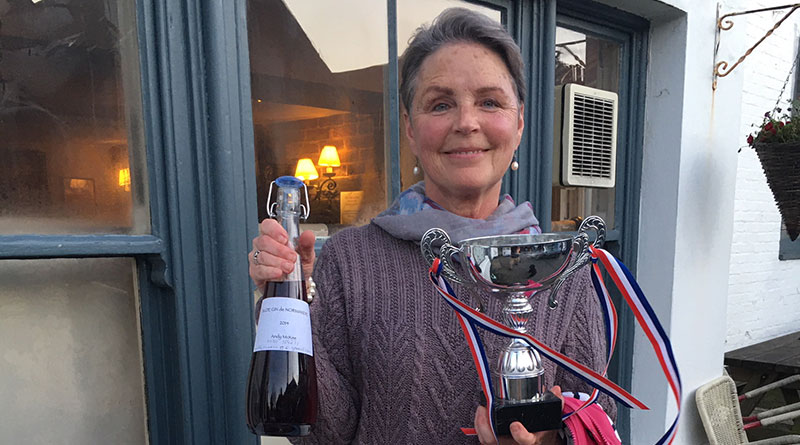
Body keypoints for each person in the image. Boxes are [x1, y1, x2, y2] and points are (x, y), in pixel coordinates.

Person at [249, 8, 613, 445]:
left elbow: (599, 421)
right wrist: (285, 302)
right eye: (441, 104)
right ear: (410, 128)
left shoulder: (564, 269)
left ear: (518, 124)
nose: (466, 123)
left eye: (490, 102)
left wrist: (551, 439)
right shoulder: (351, 259)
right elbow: (325, 436)